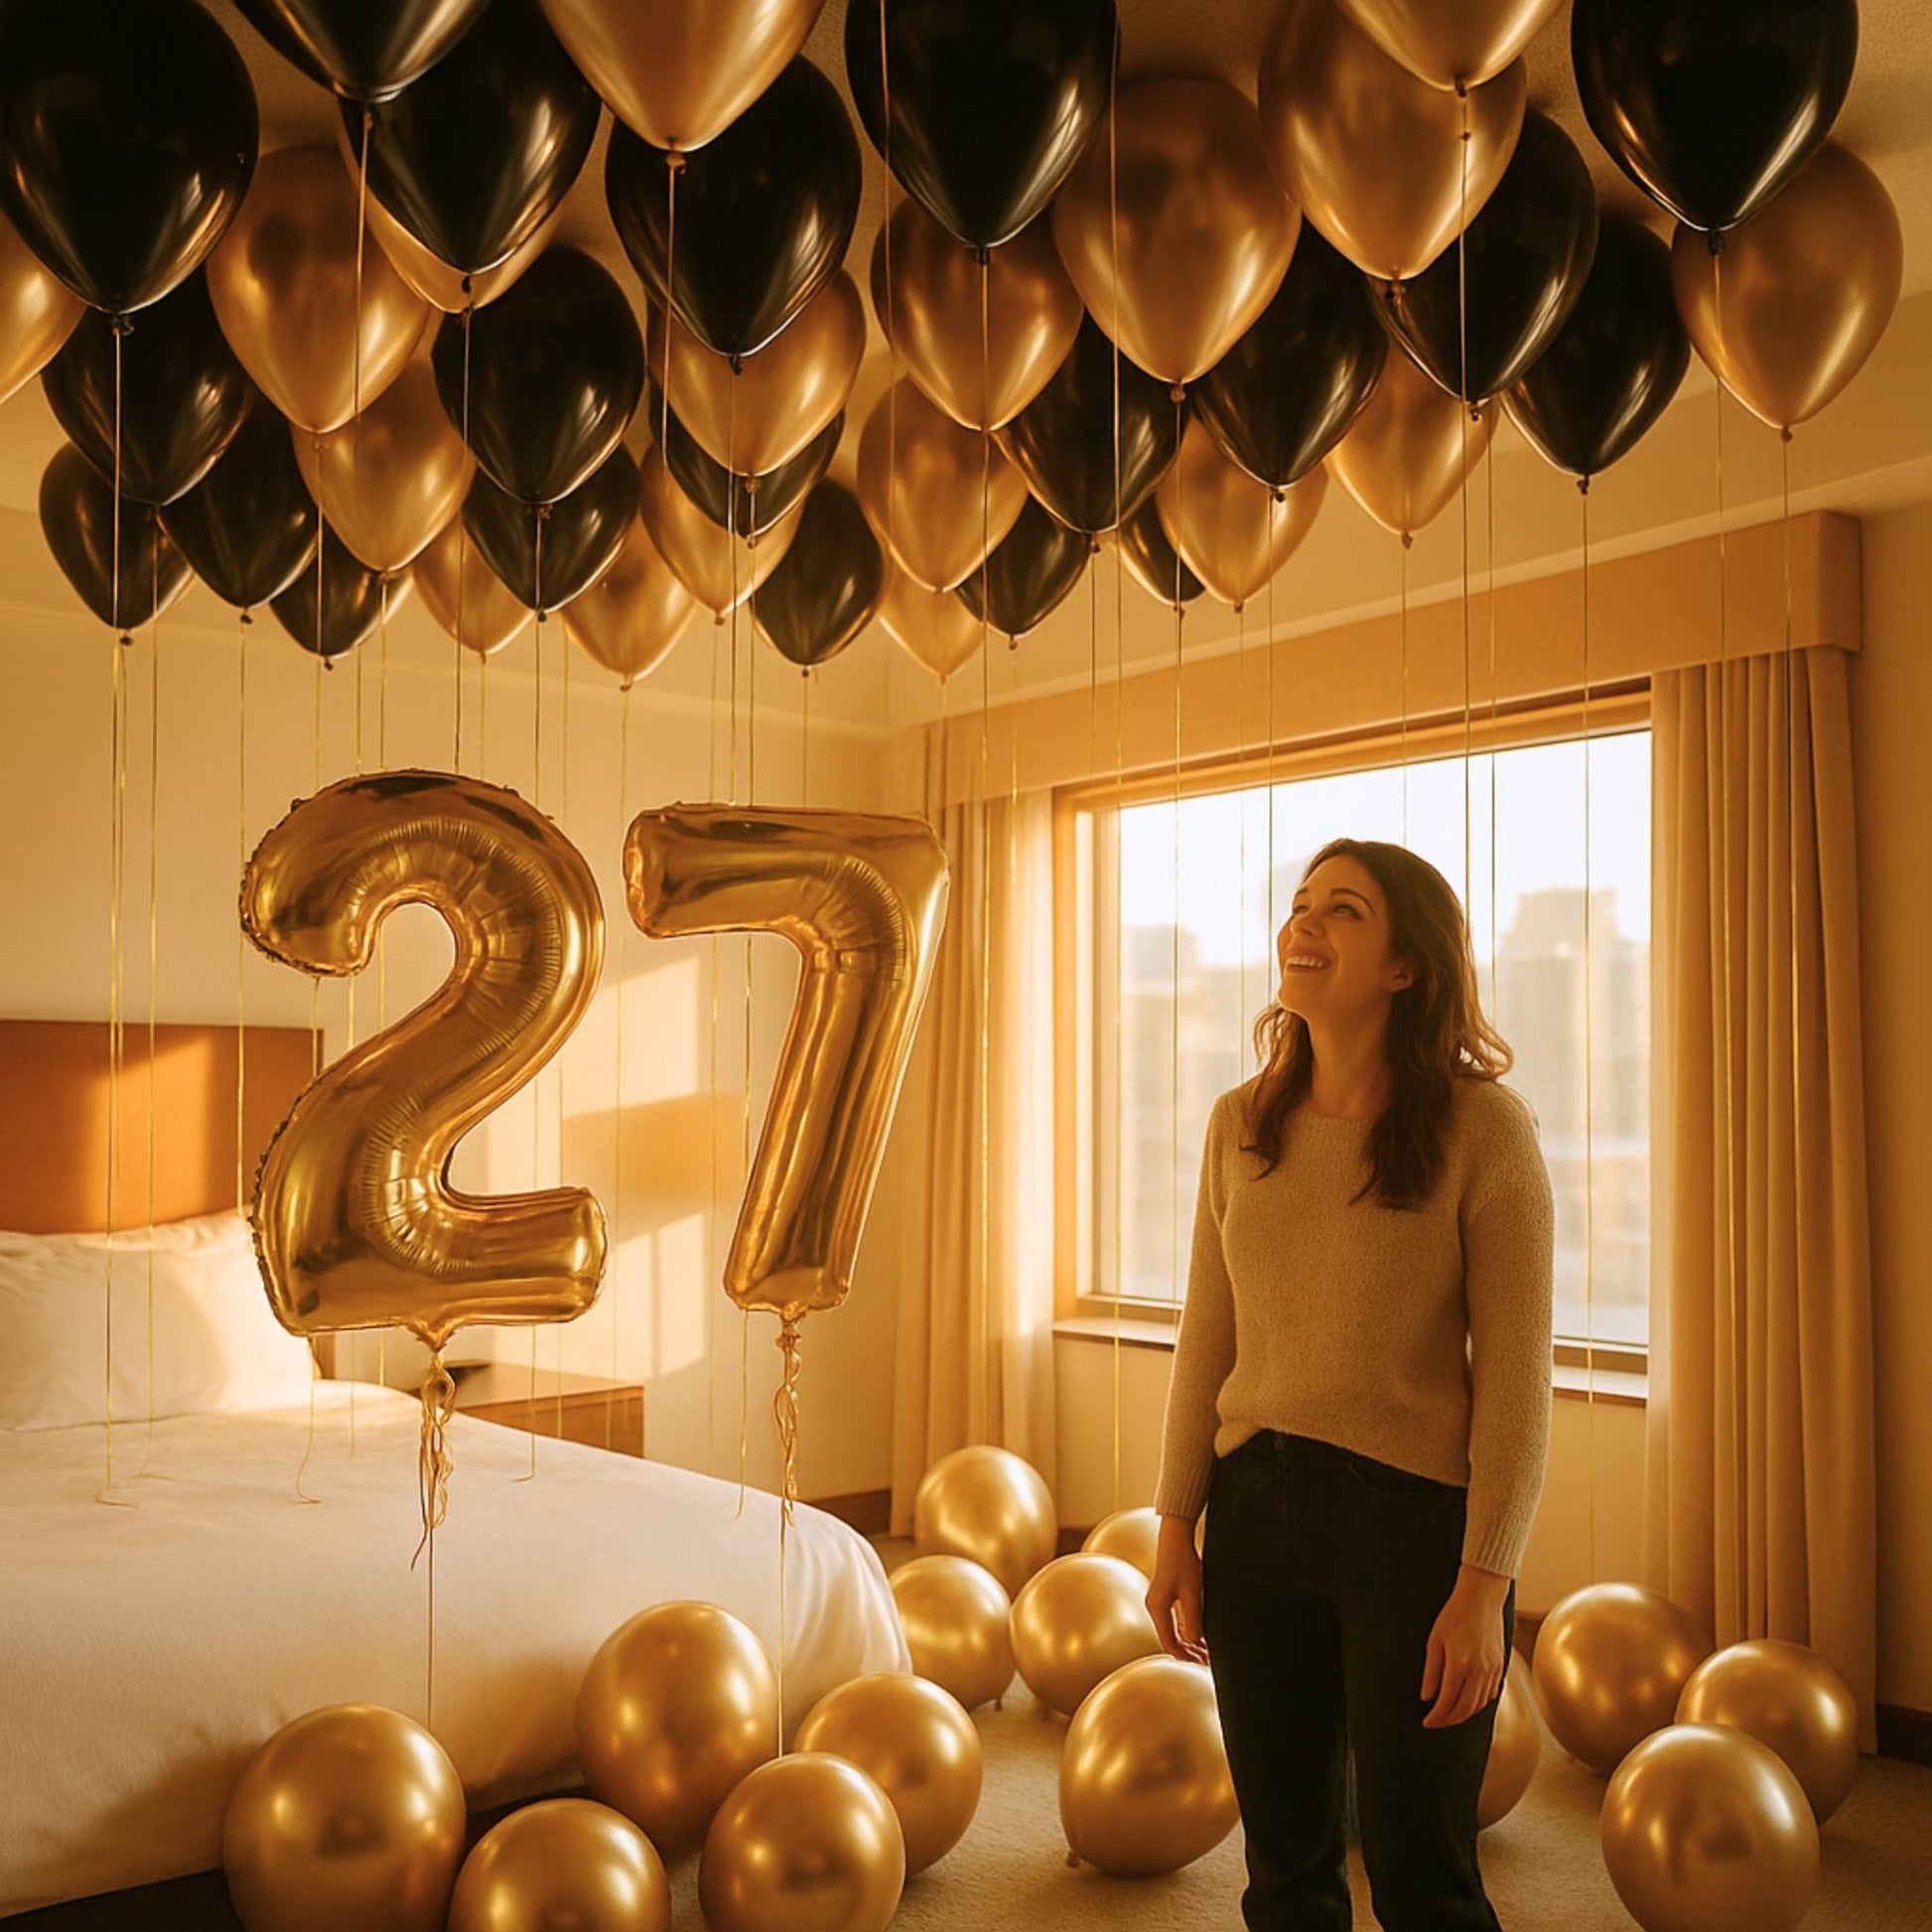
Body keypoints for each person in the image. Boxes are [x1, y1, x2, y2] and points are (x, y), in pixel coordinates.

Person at [1147, 839, 1555, 1931]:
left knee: (1423, 1872)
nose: (1302, 926)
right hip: (1256, 1520)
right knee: (1283, 1868)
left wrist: (1484, 1584)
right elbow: (1207, 1335)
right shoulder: (1239, 1122)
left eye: (1341, 910)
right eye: (1296, 905)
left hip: (1410, 1539)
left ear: (1404, 967)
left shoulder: (1483, 1129)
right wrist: (1174, 1519)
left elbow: (1516, 1380)